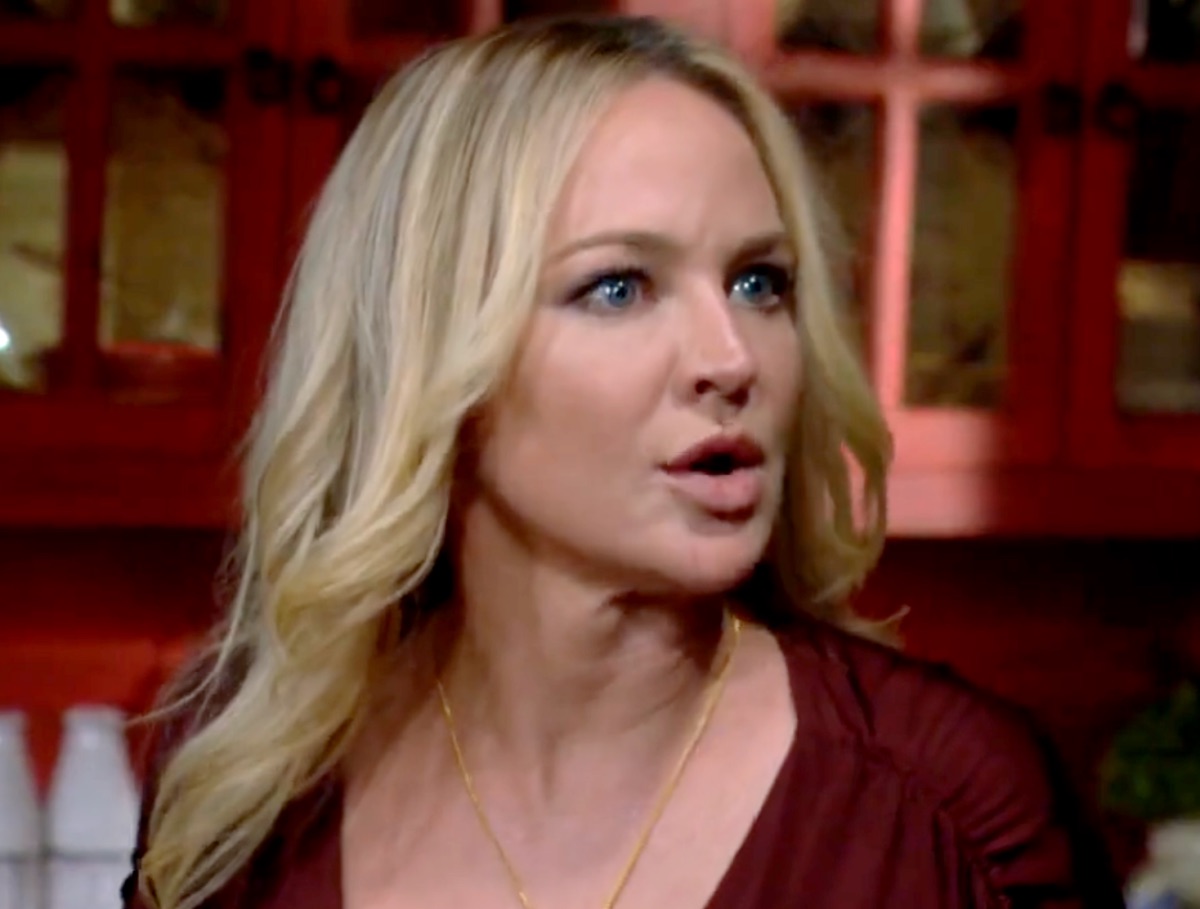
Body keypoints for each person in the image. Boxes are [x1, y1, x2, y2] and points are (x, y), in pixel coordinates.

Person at [123, 14, 1125, 909]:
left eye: (759, 283)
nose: (730, 358)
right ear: (430, 354)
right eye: (618, 288)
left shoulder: (949, 812)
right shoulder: (251, 792)